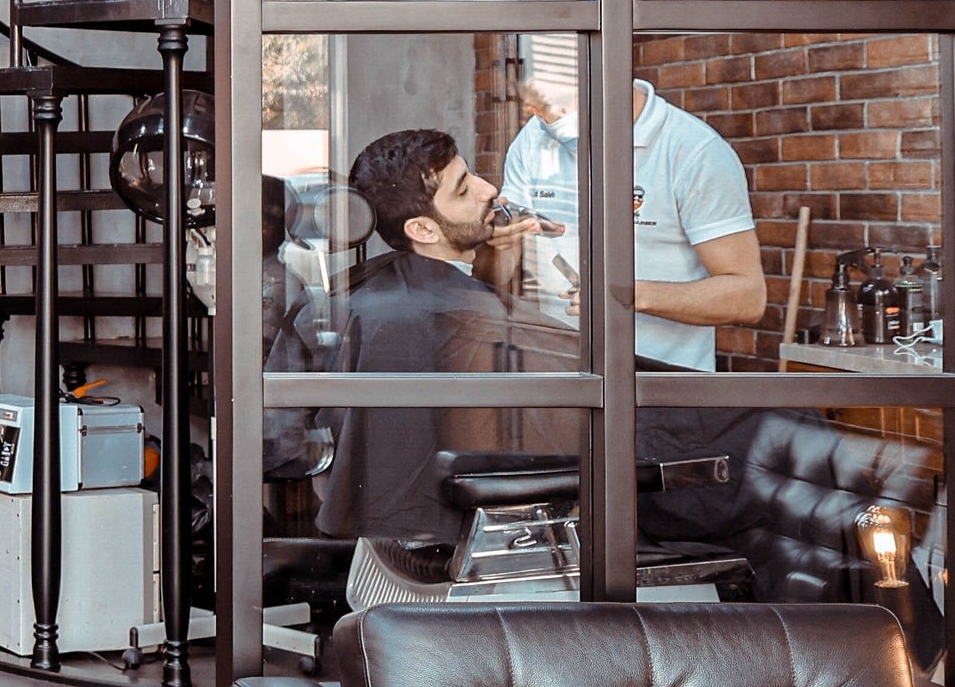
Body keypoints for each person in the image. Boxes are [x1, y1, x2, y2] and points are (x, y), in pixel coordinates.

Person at [297, 126, 523, 556]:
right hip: (447, 538)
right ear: (422, 229)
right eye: (463, 190)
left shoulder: (360, 296)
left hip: (362, 530)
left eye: (470, 173)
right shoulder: (453, 314)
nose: (488, 188)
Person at [498, 77, 768, 368]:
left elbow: (747, 297)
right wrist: (499, 240)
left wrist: (624, 295)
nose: (545, 120)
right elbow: (501, 267)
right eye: (535, 110)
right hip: (558, 375)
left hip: (662, 386)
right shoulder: (533, 138)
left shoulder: (694, 151)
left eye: (552, 107)